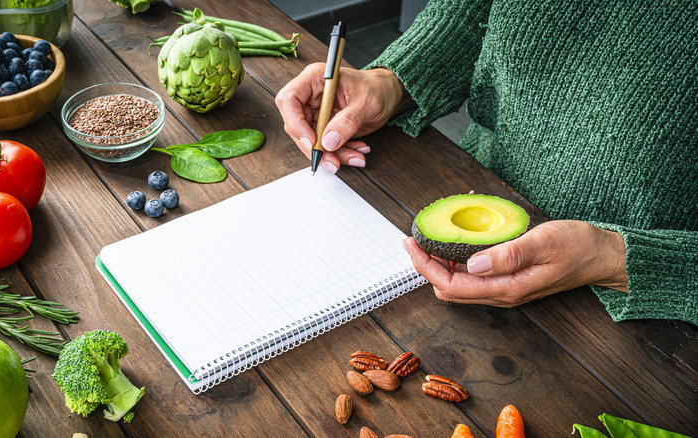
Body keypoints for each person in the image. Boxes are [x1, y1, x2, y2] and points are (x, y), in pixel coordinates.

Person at [275, 0, 697, 325]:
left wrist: (616, 258)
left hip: (633, 318)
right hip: (475, 181)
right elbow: (474, 9)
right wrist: (393, 81)